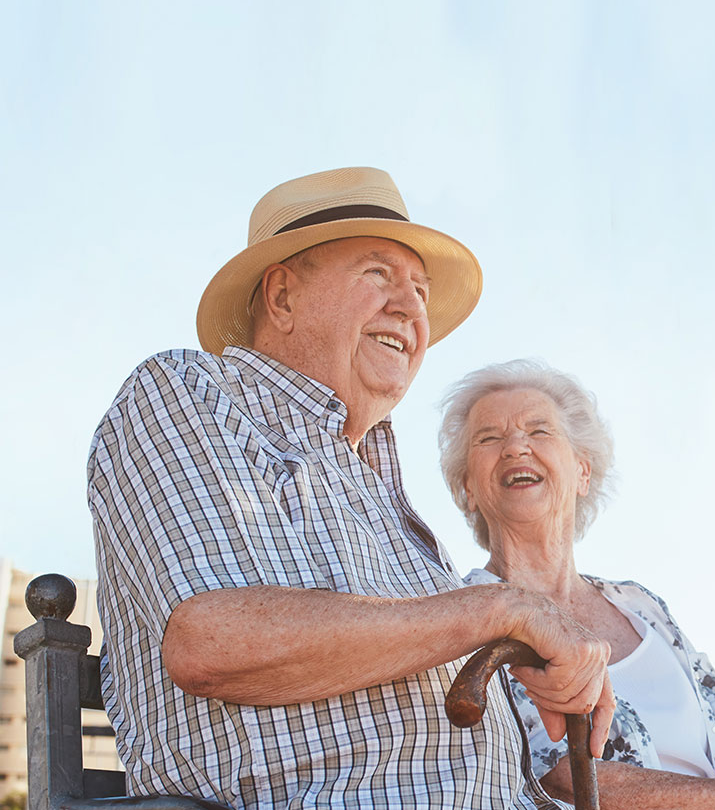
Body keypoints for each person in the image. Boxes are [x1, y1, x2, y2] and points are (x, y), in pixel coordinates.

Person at [87, 168, 615, 810]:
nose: (412, 308)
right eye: (378, 275)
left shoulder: (379, 486)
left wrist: (529, 646)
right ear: (281, 297)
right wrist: (503, 611)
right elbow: (210, 639)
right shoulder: (191, 394)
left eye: (420, 290)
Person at [438, 359, 715, 810]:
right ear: (468, 489)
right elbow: (556, 774)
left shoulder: (640, 604)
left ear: (583, 472)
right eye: (490, 438)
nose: (516, 445)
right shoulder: (471, 614)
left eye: (539, 431)